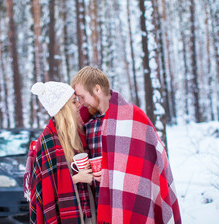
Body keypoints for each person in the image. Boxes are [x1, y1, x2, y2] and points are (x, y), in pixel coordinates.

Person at [71, 66, 181, 224]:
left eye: (82, 97)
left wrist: (112, 174)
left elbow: (150, 166)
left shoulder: (134, 118)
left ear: (97, 89)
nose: (80, 103)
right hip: (98, 207)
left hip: (129, 202)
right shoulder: (86, 125)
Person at [24, 81, 96, 224]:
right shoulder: (48, 139)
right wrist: (77, 178)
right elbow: (45, 189)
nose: (78, 105)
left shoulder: (77, 133)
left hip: (86, 207)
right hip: (64, 213)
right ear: (64, 108)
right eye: (73, 102)